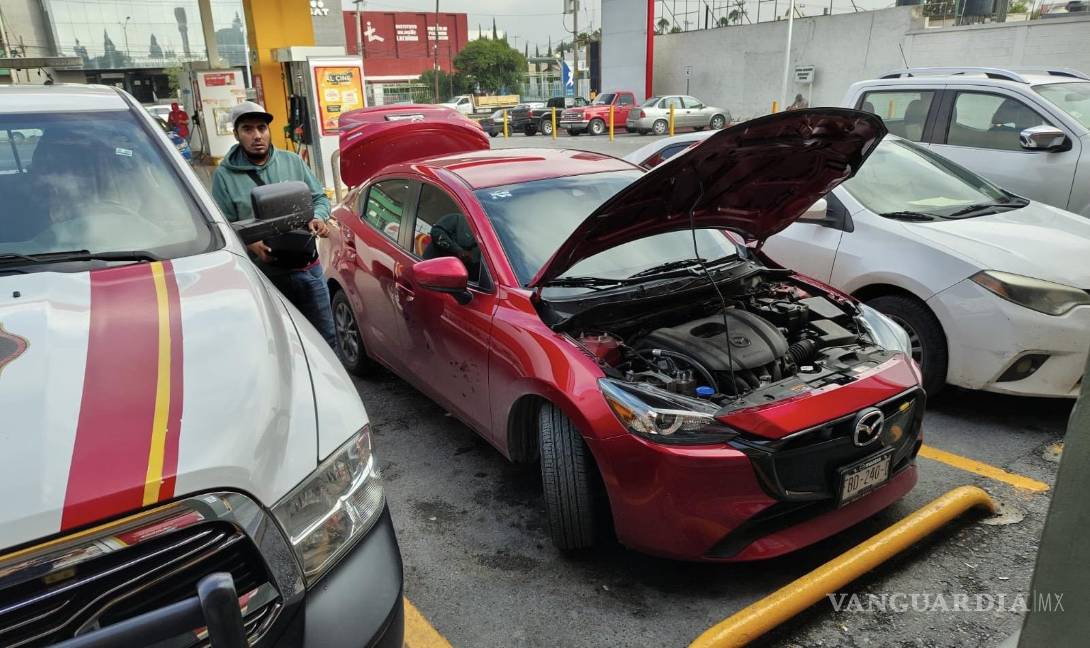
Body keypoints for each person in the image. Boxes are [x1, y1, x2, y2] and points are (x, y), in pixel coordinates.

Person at [210, 101, 337, 350]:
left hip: (307, 268)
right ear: (236, 134)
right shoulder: (224, 176)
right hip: (264, 276)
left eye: (262, 128)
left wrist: (318, 217)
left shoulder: (292, 161)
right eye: (248, 129)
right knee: (282, 345)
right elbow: (221, 225)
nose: (257, 136)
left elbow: (319, 198)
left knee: (326, 340)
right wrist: (248, 241)